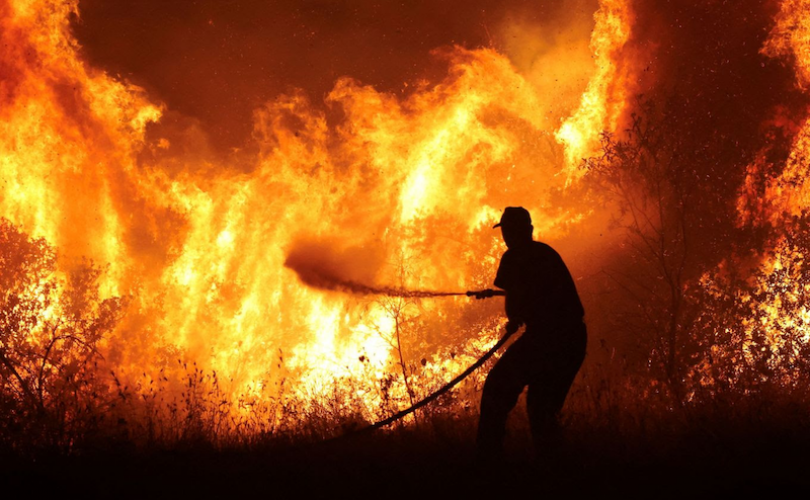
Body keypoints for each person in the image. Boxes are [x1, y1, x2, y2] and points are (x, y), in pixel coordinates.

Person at [473, 206, 587, 458]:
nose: (505, 236)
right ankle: (554, 471)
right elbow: (542, 293)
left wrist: (514, 317)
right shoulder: (546, 253)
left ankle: (486, 462)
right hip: (573, 339)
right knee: (542, 410)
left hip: (546, 339)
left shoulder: (513, 257)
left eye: (507, 231)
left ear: (516, 231)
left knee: (496, 389)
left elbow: (515, 307)